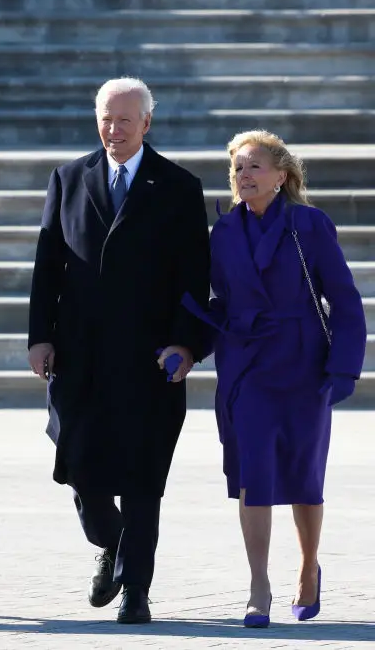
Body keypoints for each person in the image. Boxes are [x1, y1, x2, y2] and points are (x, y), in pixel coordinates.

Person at [26, 77, 211, 624]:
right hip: (79, 355)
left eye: (125, 119)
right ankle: (111, 541)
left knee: (142, 478)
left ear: (147, 123)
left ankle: (137, 591)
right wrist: (40, 334)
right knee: (77, 464)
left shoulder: (177, 186)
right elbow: (47, 264)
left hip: (150, 358)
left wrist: (185, 342)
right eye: (106, 117)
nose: (114, 129)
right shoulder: (68, 178)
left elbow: (193, 276)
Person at [182, 130, 366, 627]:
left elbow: (344, 301)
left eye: (254, 167)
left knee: (306, 477)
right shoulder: (222, 234)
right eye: (238, 168)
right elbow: (217, 302)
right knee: (253, 472)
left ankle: (308, 567)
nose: (244, 176)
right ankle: (258, 585)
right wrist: (188, 347)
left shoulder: (310, 224)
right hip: (247, 365)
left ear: (281, 176)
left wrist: (345, 366)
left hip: (304, 363)